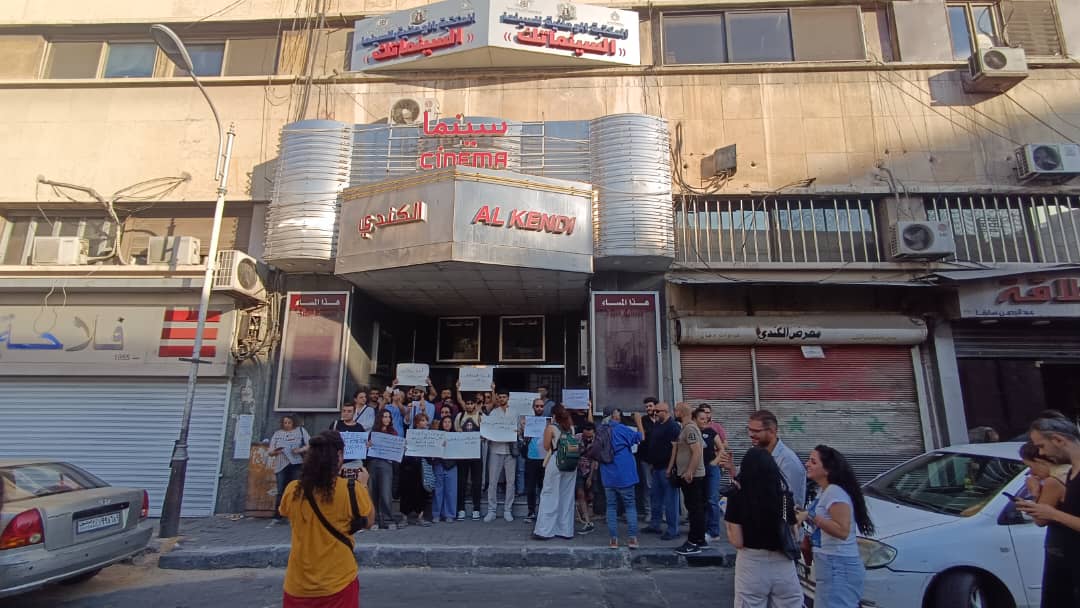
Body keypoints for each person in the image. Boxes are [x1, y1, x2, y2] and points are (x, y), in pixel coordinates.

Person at [279, 431, 373, 608]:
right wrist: (364, 485)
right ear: (339, 455)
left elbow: (284, 511)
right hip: (339, 583)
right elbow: (368, 521)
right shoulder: (352, 489)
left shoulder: (293, 490)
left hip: (297, 585)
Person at [725, 447, 803, 608]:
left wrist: (728, 523)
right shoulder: (784, 498)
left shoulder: (737, 498)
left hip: (751, 564)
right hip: (783, 565)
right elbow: (793, 533)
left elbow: (737, 541)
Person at [1016, 412, 1080, 607]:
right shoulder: (1071, 472)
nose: (1042, 454)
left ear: (1059, 440)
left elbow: (1050, 517)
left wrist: (1053, 513)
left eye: (1042, 446)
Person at [799, 445, 875, 608]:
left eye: (813, 461)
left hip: (838, 566)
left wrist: (810, 516)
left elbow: (842, 531)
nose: (807, 464)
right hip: (829, 565)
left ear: (827, 469)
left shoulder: (835, 492)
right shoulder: (823, 491)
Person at [726, 409, 806, 508]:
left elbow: (790, 504)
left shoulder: (789, 462)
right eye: (749, 430)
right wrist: (731, 469)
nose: (751, 435)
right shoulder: (755, 453)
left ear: (772, 431)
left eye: (756, 431)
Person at [599, 408, 646, 549]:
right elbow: (641, 437)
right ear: (615, 416)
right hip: (625, 474)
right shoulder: (622, 429)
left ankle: (613, 540)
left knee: (611, 506)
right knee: (630, 505)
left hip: (607, 474)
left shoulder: (600, 430)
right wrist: (639, 421)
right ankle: (632, 539)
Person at [533, 405, 577, 540]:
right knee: (567, 496)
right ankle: (565, 530)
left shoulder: (551, 428)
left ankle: (544, 530)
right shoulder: (571, 428)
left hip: (556, 461)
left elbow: (547, 447)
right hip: (571, 464)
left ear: (554, 415)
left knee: (549, 494)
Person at [670, 402, 707, 555]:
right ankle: (700, 539)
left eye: (676, 410)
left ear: (680, 412)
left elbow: (697, 451)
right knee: (695, 508)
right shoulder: (686, 428)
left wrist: (690, 471)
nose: (674, 413)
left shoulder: (690, 429)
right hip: (689, 475)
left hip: (692, 476)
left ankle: (693, 542)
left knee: (694, 509)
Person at [643, 401, 681, 540]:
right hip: (657, 467)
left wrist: (670, 468)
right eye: (655, 411)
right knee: (655, 498)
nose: (655, 413)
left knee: (670, 501)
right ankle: (655, 524)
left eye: (658, 411)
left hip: (667, 468)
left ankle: (673, 530)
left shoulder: (673, 427)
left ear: (666, 411)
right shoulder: (657, 425)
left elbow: (676, 449)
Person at [484, 387, 517, 523]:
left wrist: (518, 430)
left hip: (510, 450)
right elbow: (488, 429)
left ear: (508, 398)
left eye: (504, 397)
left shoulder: (514, 412)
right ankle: (491, 510)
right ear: (497, 398)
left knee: (511, 482)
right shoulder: (493, 413)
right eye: (500, 397)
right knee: (492, 481)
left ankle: (508, 510)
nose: (502, 399)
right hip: (496, 449)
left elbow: (519, 429)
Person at [695, 405, 728, 542]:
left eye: (705, 418)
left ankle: (714, 532)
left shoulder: (711, 432)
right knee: (702, 500)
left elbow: (722, 449)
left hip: (711, 469)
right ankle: (703, 528)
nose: (704, 421)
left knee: (712, 499)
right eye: (701, 418)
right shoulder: (693, 432)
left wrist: (715, 462)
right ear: (695, 419)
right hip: (698, 470)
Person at [269, 415, 310, 520]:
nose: (287, 425)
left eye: (289, 422)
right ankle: (279, 513)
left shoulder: (300, 431)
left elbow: (309, 444)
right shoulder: (277, 434)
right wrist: (276, 451)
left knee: (296, 488)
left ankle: (296, 511)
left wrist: (299, 450)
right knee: (281, 489)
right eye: (285, 423)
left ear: (293, 423)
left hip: (296, 463)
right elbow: (270, 451)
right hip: (281, 464)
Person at [399, 413, 433, 527]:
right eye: (422, 420)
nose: (425, 423)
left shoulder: (430, 436)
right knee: (406, 492)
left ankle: (420, 517)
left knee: (422, 492)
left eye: (426, 420)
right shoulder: (410, 434)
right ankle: (404, 518)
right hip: (409, 467)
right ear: (417, 423)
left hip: (422, 467)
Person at [367, 409, 398, 530]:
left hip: (386, 464)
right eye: (384, 416)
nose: (387, 419)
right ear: (380, 418)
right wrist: (368, 445)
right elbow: (367, 449)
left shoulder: (393, 432)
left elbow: (396, 449)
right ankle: (373, 520)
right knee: (372, 491)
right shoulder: (373, 432)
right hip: (373, 463)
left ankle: (387, 519)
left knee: (386, 492)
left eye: (388, 417)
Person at [1019, 441, 1067, 518]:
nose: (1031, 472)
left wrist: (1034, 492)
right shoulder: (1071, 470)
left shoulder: (1054, 481)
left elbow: (1040, 519)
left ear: (1040, 462)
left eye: (1030, 466)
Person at [454, 394, 484, 521]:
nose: (469, 406)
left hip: (476, 453)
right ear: (464, 404)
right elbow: (456, 432)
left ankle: (476, 509)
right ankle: (461, 509)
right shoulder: (460, 416)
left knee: (477, 482)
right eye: (467, 403)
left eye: (472, 403)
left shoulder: (481, 417)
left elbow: (486, 433)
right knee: (461, 481)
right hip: (462, 453)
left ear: (475, 405)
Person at [522, 398, 548, 523]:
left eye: (541, 406)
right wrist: (523, 429)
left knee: (544, 487)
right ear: (533, 407)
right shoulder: (528, 422)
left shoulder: (548, 422)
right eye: (537, 406)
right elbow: (524, 439)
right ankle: (531, 511)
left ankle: (543, 512)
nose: (539, 408)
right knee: (531, 487)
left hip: (545, 459)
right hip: (531, 458)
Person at [432, 415, 459, 523]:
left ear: (452, 424)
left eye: (449, 422)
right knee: (438, 491)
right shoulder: (436, 436)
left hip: (452, 466)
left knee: (451, 491)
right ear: (441, 424)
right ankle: (436, 514)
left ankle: (450, 514)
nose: (447, 424)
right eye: (445, 422)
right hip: (439, 464)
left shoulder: (456, 436)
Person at [636, 397, 658, 521]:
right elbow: (642, 437)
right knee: (648, 486)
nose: (648, 408)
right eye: (646, 406)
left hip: (659, 460)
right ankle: (648, 512)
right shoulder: (643, 420)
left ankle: (661, 512)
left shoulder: (661, 419)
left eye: (650, 406)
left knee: (660, 485)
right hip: (645, 458)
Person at [575, 421, 597, 534]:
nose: (588, 438)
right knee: (580, 493)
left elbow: (594, 460)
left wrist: (590, 477)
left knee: (591, 494)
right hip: (578, 468)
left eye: (590, 436)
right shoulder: (577, 438)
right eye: (586, 436)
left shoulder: (596, 441)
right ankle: (586, 520)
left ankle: (588, 513)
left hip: (591, 468)